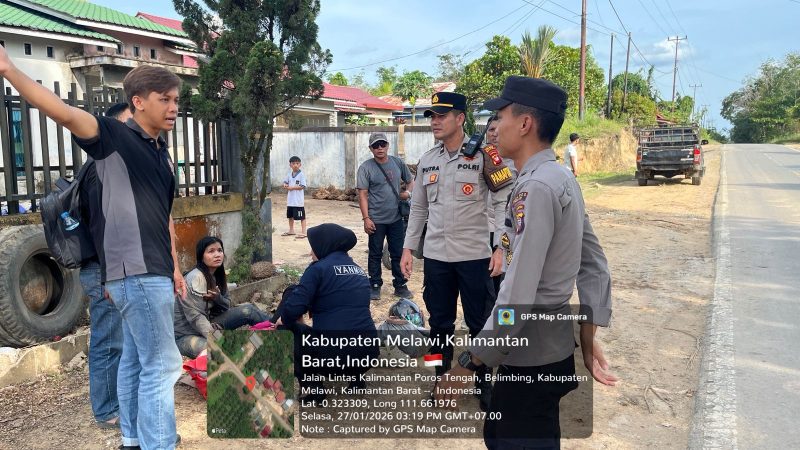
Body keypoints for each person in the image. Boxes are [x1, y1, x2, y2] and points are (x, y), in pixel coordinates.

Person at [0, 46, 187, 449]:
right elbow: (63, 112)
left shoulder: (159, 151)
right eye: (165, 100)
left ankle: (133, 439)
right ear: (138, 102)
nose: (173, 107)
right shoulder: (114, 137)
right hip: (137, 275)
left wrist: (172, 266)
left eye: (176, 100)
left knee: (137, 359)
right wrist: (9, 68)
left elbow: (158, 218)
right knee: (163, 364)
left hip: (143, 273)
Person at [434, 76, 617, 449]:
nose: (493, 127)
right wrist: (587, 332)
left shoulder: (536, 187)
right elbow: (594, 262)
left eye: (499, 116)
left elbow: (517, 292)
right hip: (549, 350)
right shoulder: (557, 178)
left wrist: (467, 363)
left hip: (529, 358)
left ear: (525, 123)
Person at [400, 92, 513, 411]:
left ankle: (484, 383)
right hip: (437, 258)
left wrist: (499, 246)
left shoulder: (485, 155)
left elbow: (503, 199)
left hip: (474, 256)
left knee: (479, 322)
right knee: (439, 325)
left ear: (460, 118)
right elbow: (418, 207)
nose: (434, 121)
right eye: (432, 116)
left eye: (441, 115)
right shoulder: (427, 160)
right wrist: (408, 248)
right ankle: (439, 379)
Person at [274, 224, 379, 401]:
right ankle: (356, 380)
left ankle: (314, 390)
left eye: (313, 247)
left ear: (324, 246)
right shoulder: (359, 271)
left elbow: (294, 307)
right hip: (368, 354)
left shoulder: (318, 269)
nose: (311, 253)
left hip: (334, 356)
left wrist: (282, 320)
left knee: (284, 332)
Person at [77, 103, 132, 429]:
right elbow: (102, 229)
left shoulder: (110, 166)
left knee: (117, 340)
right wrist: (112, 277)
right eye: (126, 125)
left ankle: (114, 402)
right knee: (107, 342)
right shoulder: (101, 171)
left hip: (108, 268)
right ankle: (107, 409)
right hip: (103, 269)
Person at [174, 236, 271, 358]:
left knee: (249, 310)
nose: (217, 254)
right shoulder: (195, 278)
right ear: (201, 256)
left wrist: (218, 298)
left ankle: (281, 327)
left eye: (219, 250)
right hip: (185, 335)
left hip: (208, 324)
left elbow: (227, 306)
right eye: (211, 251)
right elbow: (196, 318)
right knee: (219, 351)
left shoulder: (217, 275)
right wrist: (217, 339)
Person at [357, 132, 415, 300]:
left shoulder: (397, 163)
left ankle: (400, 285)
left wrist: (408, 193)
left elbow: (411, 181)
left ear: (388, 145)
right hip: (376, 219)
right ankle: (374, 285)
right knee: (375, 253)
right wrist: (366, 219)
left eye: (382, 144)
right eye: (376, 145)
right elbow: (363, 194)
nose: (380, 148)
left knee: (397, 253)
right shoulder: (366, 168)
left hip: (396, 217)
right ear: (371, 149)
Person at [282, 155, 307, 238]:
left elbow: (302, 186)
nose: (295, 165)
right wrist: (285, 185)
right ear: (290, 165)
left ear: (300, 165)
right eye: (293, 163)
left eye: (297, 163)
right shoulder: (289, 174)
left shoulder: (301, 175)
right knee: (290, 216)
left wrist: (292, 187)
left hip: (298, 201)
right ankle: (291, 230)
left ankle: (304, 231)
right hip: (290, 200)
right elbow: (285, 182)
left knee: (302, 217)